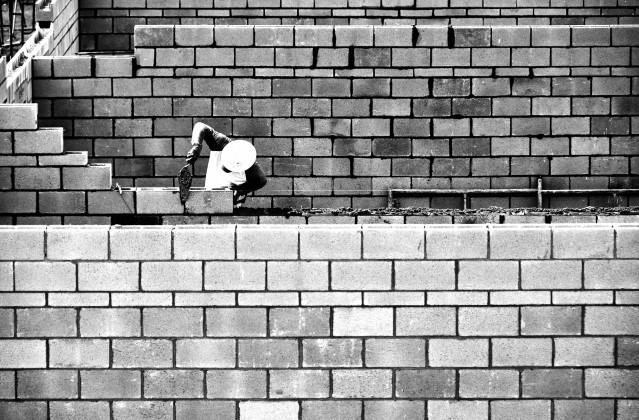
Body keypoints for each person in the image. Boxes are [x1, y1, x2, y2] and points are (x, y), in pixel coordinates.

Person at [186, 122, 267, 205]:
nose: (226, 169)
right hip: (211, 188)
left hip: (229, 203)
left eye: (232, 168)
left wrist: (239, 190)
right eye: (227, 163)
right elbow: (201, 126)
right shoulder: (221, 143)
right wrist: (197, 146)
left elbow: (262, 180)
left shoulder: (249, 164)